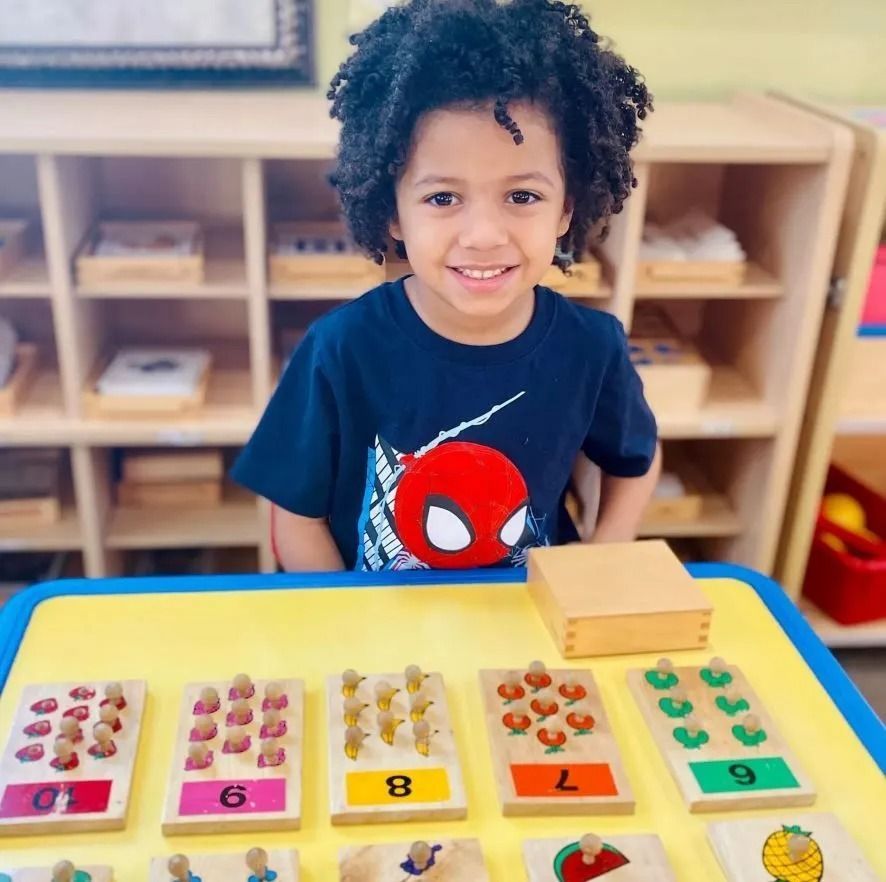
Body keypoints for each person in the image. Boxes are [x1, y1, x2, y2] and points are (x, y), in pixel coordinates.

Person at [233, 0, 661, 572]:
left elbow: (635, 461)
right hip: (381, 644)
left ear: (567, 210)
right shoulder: (339, 348)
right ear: (393, 214)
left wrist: (604, 560)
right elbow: (295, 515)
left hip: (526, 630)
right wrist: (349, 622)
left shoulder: (593, 346)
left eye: (522, 197)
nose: (483, 235)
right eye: (442, 198)